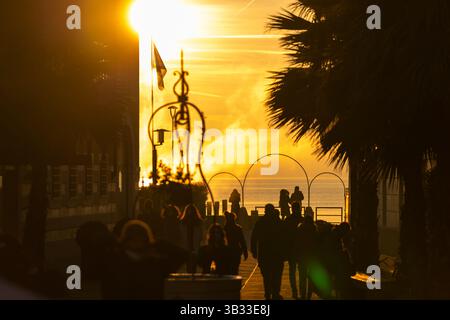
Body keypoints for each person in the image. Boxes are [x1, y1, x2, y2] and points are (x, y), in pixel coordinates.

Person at [102, 220, 187, 299]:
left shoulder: (115, 263)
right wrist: (157, 244)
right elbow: (182, 255)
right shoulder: (156, 265)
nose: (137, 241)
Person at [251, 204, 284, 300]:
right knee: (276, 275)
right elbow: (284, 238)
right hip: (276, 253)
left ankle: (268, 293)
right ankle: (275, 293)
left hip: (264, 253)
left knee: (267, 275)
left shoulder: (260, 222)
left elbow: (254, 237)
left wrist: (254, 251)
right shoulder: (278, 222)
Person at [295, 215, 318, 300]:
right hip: (312, 257)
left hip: (302, 256)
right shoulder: (314, 230)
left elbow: (297, 243)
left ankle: (303, 294)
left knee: (302, 277)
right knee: (311, 278)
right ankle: (308, 295)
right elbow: (316, 244)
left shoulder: (300, 229)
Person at [284, 202, 303, 299]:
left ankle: (294, 291)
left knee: (292, 271)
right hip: (302, 251)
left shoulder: (288, 220)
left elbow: (283, 236)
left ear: (292, 209)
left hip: (291, 250)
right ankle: (302, 291)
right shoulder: (303, 220)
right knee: (302, 272)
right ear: (300, 209)